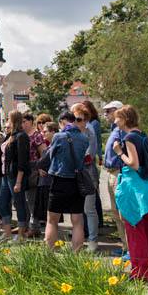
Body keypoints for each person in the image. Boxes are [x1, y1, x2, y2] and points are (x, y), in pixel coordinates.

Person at [112, 105, 148, 282]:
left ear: (125, 119)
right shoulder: (142, 135)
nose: (114, 121)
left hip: (133, 187)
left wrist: (119, 152)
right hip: (145, 186)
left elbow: (134, 164)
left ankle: (140, 272)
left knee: (134, 229)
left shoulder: (129, 138)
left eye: (117, 118)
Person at [44, 111, 90, 251]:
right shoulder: (83, 138)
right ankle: (76, 255)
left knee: (52, 220)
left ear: (62, 121)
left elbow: (50, 156)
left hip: (59, 180)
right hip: (76, 181)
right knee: (77, 222)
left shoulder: (58, 136)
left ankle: (49, 254)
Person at [0, 111, 31, 241]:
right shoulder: (9, 136)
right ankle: (7, 232)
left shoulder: (21, 136)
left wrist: (18, 182)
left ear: (14, 120)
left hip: (15, 176)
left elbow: (23, 161)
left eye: (8, 120)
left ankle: (21, 235)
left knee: (19, 203)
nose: (6, 123)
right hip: (6, 175)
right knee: (1, 201)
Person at [73, 104, 100, 251]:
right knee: (78, 209)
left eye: (78, 119)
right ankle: (79, 238)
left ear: (85, 120)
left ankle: (93, 240)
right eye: (74, 119)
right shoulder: (72, 132)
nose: (75, 122)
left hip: (87, 174)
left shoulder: (89, 132)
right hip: (75, 174)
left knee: (89, 208)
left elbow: (88, 156)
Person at [102, 100, 128, 258]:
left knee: (123, 213)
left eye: (108, 111)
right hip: (111, 172)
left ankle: (131, 248)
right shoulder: (114, 129)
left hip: (120, 172)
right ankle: (126, 245)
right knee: (116, 212)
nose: (105, 114)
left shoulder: (123, 130)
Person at [22, 113, 47, 238]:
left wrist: (41, 167)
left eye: (24, 121)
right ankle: (28, 226)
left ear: (31, 121)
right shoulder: (23, 135)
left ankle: (34, 227)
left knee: (32, 200)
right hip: (25, 170)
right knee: (27, 200)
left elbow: (44, 152)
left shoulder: (36, 135)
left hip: (34, 169)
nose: (22, 123)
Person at [82, 100, 105, 228]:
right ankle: (98, 221)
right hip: (91, 158)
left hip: (91, 159)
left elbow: (96, 141)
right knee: (93, 193)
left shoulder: (93, 123)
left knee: (93, 190)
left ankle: (99, 221)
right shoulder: (88, 124)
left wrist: (99, 157)